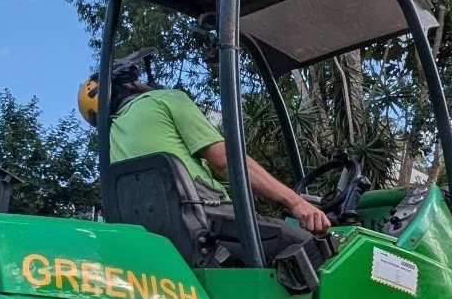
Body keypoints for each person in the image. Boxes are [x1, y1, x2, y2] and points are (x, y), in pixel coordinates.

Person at [78, 65, 331, 243]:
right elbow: (226, 161)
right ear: (131, 83)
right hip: (209, 226)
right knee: (315, 246)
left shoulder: (110, 148)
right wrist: (296, 202)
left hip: (166, 243)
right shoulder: (164, 100)